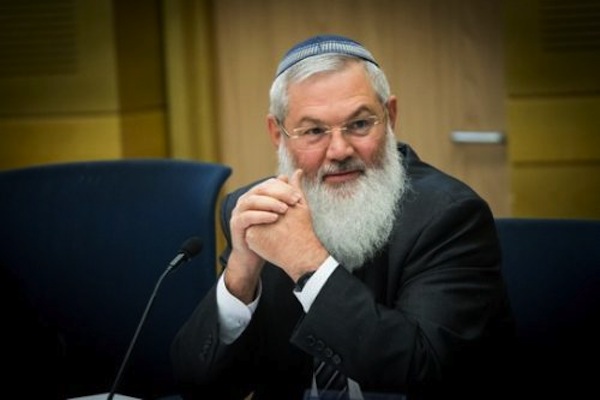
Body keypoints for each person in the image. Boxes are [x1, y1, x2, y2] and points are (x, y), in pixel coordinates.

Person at [171, 34, 516, 400]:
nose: (339, 150)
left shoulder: (449, 216)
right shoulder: (260, 212)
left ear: (390, 116)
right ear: (278, 134)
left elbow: (424, 370)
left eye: (360, 124)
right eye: (314, 131)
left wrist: (308, 263)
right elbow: (197, 385)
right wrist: (239, 276)